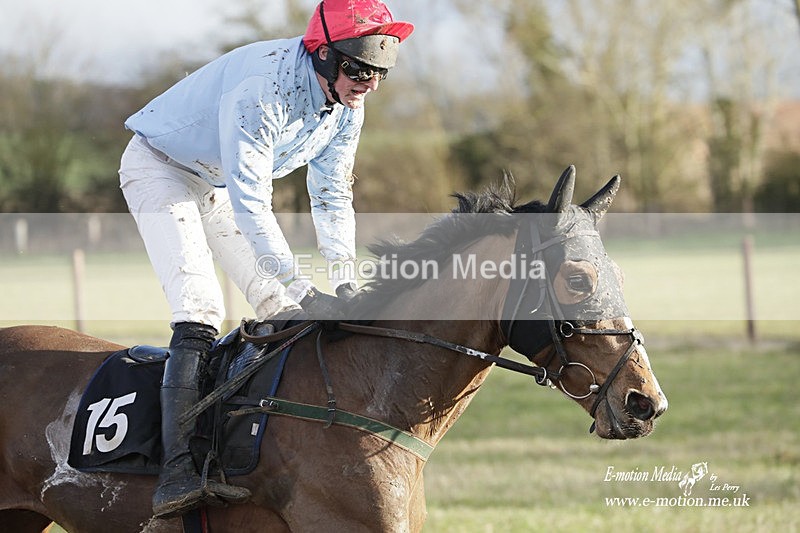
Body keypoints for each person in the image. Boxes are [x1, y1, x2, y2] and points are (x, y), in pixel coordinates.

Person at [118, 0, 413, 519]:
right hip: (162, 170)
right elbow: (253, 204)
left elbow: (332, 193)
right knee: (201, 304)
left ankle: (254, 447)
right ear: (322, 56)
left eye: (377, 73)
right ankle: (178, 470)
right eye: (358, 69)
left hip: (216, 184)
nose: (366, 83)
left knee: (280, 307)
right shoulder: (264, 89)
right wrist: (304, 288)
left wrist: (343, 281)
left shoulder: (347, 103)